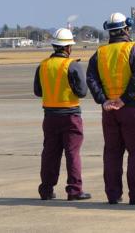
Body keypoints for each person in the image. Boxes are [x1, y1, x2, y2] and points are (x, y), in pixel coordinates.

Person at [87, 12, 135, 205]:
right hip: (130, 108)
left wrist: (103, 100)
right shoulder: (134, 50)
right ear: (126, 28)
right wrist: (124, 99)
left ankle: (113, 195)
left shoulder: (99, 53)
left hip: (109, 111)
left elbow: (91, 78)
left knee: (112, 153)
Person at [34, 28, 91, 201]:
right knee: (72, 153)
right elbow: (82, 92)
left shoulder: (42, 65)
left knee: (50, 153)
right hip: (70, 115)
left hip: (50, 116)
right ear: (68, 47)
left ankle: (46, 190)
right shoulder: (72, 65)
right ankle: (74, 190)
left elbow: (38, 91)